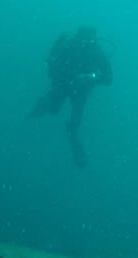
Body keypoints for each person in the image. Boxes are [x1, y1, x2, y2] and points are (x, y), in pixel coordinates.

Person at [26, 26, 113, 168]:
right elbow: (108, 78)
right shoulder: (75, 46)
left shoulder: (89, 49)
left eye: (86, 41)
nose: (83, 44)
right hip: (67, 84)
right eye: (81, 40)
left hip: (75, 87)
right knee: (56, 110)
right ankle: (47, 109)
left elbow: (109, 78)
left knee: (69, 117)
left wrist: (89, 77)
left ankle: (69, 129)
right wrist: (90, 77)